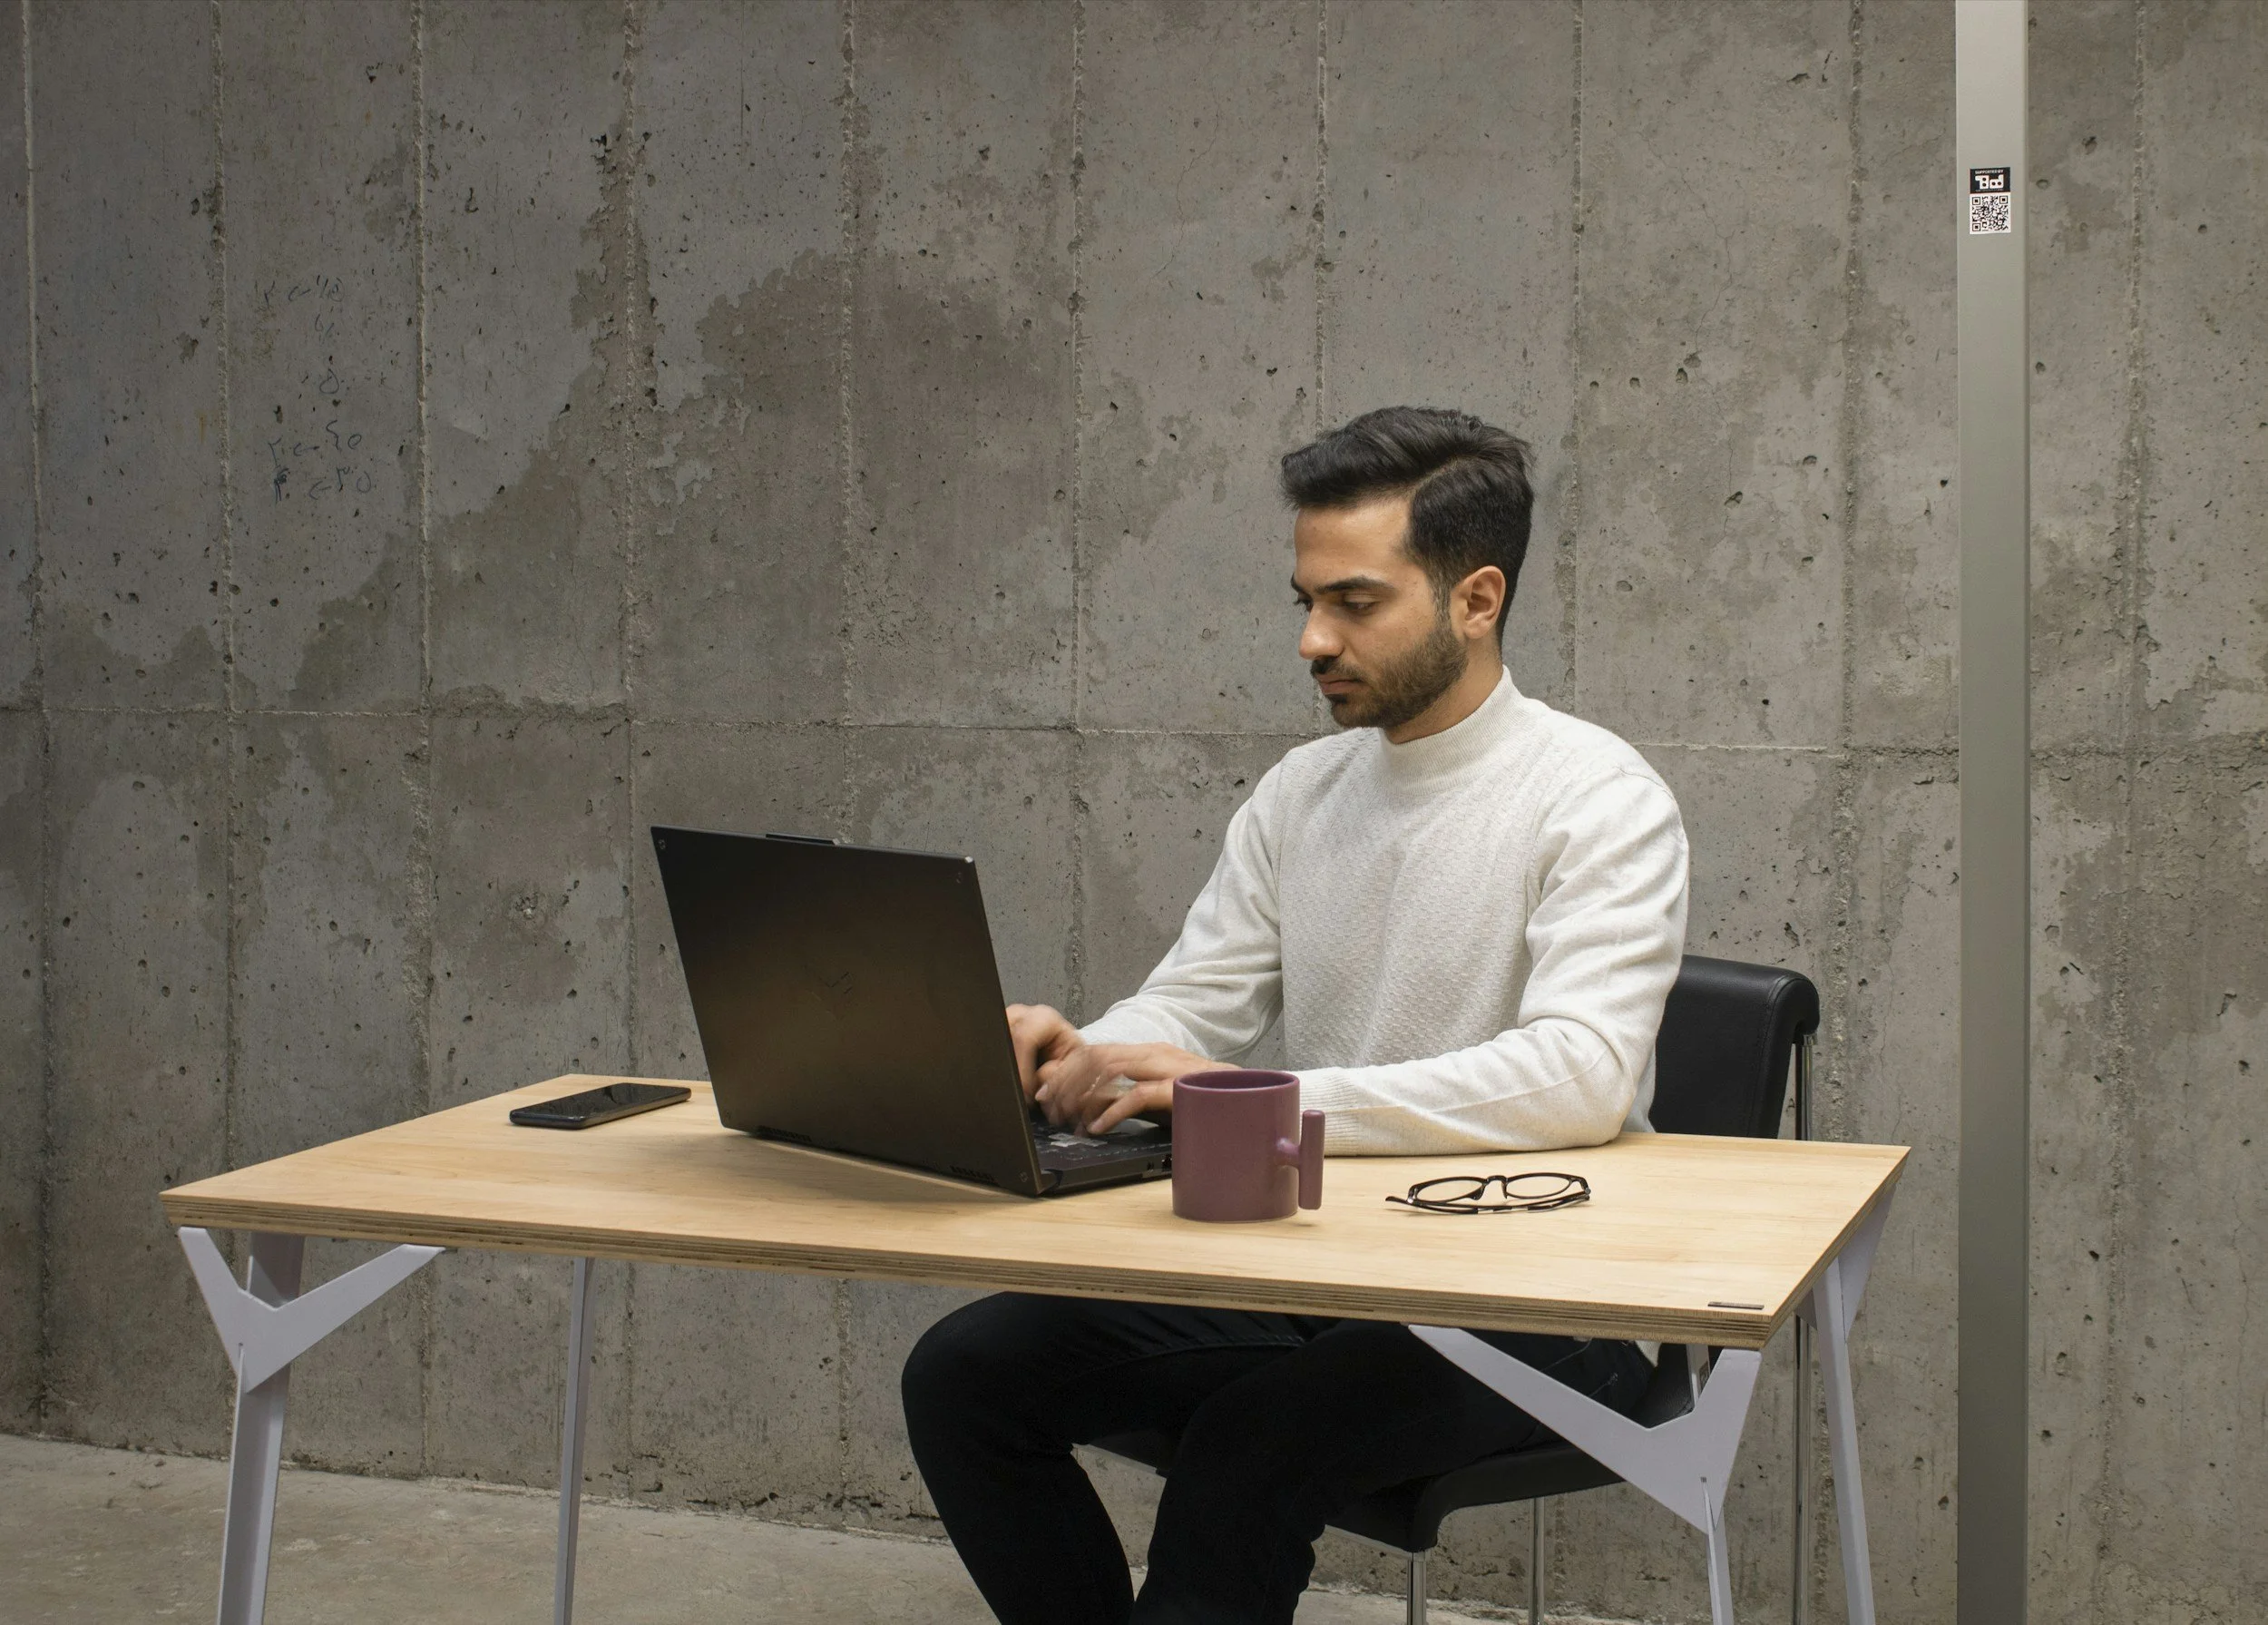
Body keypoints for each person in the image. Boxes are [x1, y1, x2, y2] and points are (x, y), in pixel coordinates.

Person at [900, 406, 1690, 1625]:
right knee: (963, 1374)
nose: (1315, 638)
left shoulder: (1599, 798)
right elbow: (1197, 1001)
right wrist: (1088, 1054)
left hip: (1538, 1306)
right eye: (1305, 600)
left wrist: (1262, 1103)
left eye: (1357, 602)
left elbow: (1580, 1074)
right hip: (1325, 1271)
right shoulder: (1304, 791)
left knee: (1248, 1447)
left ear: (1477, 599)